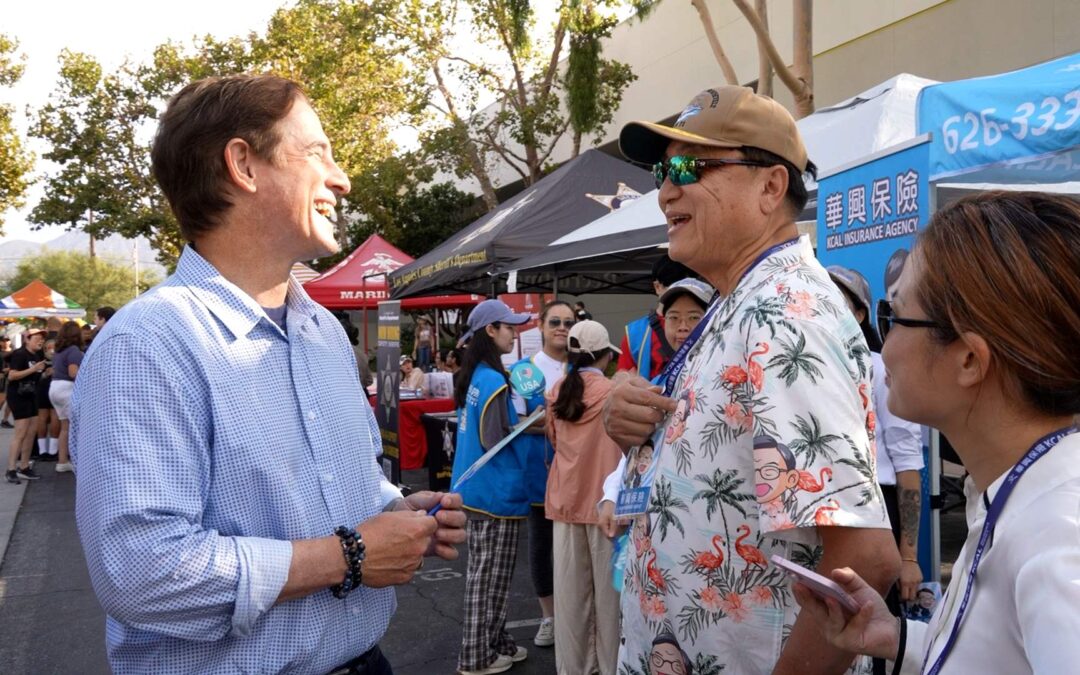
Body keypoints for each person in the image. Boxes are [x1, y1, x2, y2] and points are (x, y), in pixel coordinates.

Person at [70, 74, 466, 673]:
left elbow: (346, 479)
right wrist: (349, 556)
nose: (341, 179)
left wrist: (396, 512)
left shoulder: (323, 331)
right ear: (243, 166)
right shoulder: (146, 347)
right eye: (317, 153)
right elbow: (141, 571)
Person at [605, 85, 898, 674]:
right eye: (662, 172)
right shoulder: (740, 299)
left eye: (689, 168)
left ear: (770, 187)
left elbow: (863, 556)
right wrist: (635, 425)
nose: (665, 191)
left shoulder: (783, 314)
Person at [794, 192, 1080, 674]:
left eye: (894, 316)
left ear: (968, 359)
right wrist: (900, 638)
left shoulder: (1059, 542)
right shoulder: (1013, 494)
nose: (883, 345)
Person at [828, 265, 924, 605]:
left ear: (860, 314)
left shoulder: (880, 368)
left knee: (874, 615)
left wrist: (909, 558)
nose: (825, 310)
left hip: (877, 508)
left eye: (836, 302)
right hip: (823, 511)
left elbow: (907, 460)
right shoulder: (800, 367)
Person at [451, 298, 533, 675]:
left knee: (491, 576)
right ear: (490, 330)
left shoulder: (475, 375)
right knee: (488, 579)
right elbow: (494, 439)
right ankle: (475, 656)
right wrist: (532, 423)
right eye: (508, 327)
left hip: (477, 489)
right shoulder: (494, 380)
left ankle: (496, 642)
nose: (513, 333)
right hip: (494, 491)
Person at [597, 278, 714, 537]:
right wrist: (612, 495)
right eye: (673, 318)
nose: (682, 327)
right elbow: (639, 449)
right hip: (656, 523)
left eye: (694, 318)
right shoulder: (659, 384)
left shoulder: (720, 382)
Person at [544, 320, 623, 674]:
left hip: (564, 501)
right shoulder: (614, 392)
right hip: (607, 506)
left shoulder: (557, 390)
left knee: (570, 599)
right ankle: (610, 667)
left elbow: (553, 442)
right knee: (609, 600)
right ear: (606, 356)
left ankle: (573, 668)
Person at [510, 300, 573, 648]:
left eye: (568, 322)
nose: (562, 328)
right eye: (555, 322)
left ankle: (576, 614)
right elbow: (518, 423)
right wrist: (561, 422)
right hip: (539, 470)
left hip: (579, 473)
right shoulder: (525, 370)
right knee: (541, 545)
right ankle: (549, 616)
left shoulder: (583, 367)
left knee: (575, 546)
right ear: (541, 327)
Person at [616, 254, 696, 380]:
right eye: (676, 289)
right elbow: (623, 380)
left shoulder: (709, 323)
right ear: (657, 287)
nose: (683, 296)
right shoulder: (635, 333)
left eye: (690, 288)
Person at [5, 329, 45, 484]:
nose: (40, 341)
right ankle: (11, 469)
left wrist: (45, 372)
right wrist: (33, 369)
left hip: (31, 395)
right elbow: (12, 375)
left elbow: (35, 375)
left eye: (42, 338)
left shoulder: (36, 355)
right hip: (18, 396)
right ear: (27, 339)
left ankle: (24, 466)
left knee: (31, 432)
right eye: (37, 338)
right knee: (20, 433)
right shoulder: (20, 354)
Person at [49, 321, 84, 473]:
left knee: (65, 427)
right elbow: (73, 373)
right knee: (76, 427)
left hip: (55, 387)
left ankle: (62, 461)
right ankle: (76, 460)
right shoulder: (74, 350)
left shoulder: (59, 350)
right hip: (67, 389)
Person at [34, 337, 59, 461]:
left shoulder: (39, 358)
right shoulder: (60, 357)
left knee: (42, 418)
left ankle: (42, 450)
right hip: (55, 386)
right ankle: (53, 450)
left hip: (42, 387)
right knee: (54, 417)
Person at [0, 336, 12, 429]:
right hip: (2, 379)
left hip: (13, 378)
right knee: (2, 400)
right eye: (3, 341)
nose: (5, 342)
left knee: (11, 401)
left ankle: (5, 420)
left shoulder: (15, 352)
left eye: (7, 340)